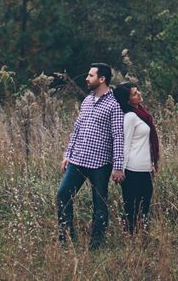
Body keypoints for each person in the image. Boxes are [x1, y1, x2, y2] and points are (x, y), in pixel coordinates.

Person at [56, 63, 125, 249]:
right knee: (63, 195)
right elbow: (76, 130)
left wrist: (118, 166)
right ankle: (67, 240)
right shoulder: (87, 100)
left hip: (100, 164)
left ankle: (96, 245)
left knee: (100, 205)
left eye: (90, 75)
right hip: (78, 160)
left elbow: (118, 136)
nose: (87, 78)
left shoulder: (114, 105)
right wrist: (67, 154)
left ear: (102, 79)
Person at [113, 81, 160, 236]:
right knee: (132, 207)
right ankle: (132, 237)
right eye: (134, 93)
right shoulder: (130, 117)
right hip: (132, 169)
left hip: (144, 168)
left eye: (137, 91)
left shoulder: (143, 115)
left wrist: (152, 163)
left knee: (145, 204)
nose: (139, 93)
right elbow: (124, 144)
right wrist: (119, 168)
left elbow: (147, 143)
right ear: (127, 100)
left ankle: (143, 235)